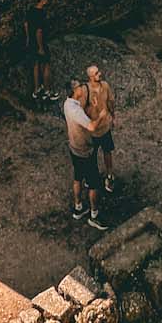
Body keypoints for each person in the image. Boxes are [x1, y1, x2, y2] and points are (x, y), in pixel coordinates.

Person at [63, 77, 105, 228]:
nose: (83, 87)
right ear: (75, 91)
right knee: (94, 185)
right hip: (85, 151)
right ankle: (94, 215)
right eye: (80, 86)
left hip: (74, 148)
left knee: (78, 177)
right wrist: (101, 114)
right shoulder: (75, 110)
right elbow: (92, 127)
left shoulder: (68, 104)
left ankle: (78, 207)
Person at [86, 63, 117, 193]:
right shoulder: (86, 91)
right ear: (91, 77)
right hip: (92, 131)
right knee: (91, 156)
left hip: (104, 128)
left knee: (107, 151)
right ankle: (92, 178)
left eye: (99, 72)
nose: (100, 74)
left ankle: (109, 175)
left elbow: (110, 101)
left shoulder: (105, 86)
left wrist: (113, 116)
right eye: (97, 73)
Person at [24, 0, 51, 102]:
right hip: (40, 43)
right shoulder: (41, 13)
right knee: (46, 65)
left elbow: (26, 24)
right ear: (43, 0)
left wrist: (28, 38)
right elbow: (39, 31)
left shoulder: (30, 10)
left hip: (31, 42)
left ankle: (36, 89)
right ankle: (47, 91)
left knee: (35, 65)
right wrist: (41, 47)